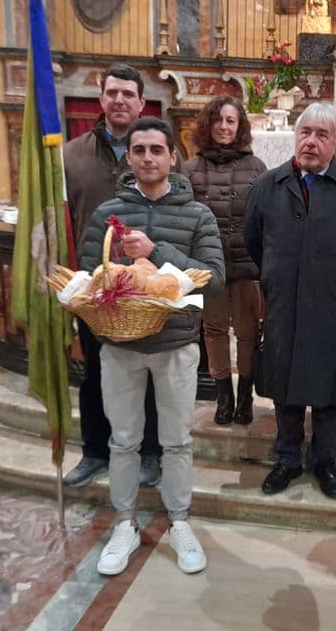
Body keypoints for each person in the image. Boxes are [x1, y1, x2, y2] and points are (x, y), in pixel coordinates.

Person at [78, 117, 225, 576]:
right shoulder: (106, 215)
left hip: (176, 344)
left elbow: (215, 284)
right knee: (123, 441)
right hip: (120, 345)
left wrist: (155, 251)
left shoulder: (198, 215)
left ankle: (180, 520)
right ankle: (124, 521)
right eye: (138, 149)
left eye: (156, 150)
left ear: (172, 156)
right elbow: (87, 279)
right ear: (129, 157)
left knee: (177, 441)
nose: (146, 157)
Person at [245, 103, 336, 500]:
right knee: (283, 383)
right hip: (283, 302)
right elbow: (254, 241)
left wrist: (331, 279)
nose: (311, 142)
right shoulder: (268, 186)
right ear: (295, 136)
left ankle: (324, 461)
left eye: (322, 135)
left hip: (332, 303)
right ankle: (286, 458)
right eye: (305, 133)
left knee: (328, 386)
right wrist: (280, 275)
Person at [63, 64, 162, 488]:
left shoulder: (156, 151)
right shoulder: (69, 155)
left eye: (128, 94)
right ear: (100, 99)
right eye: (112, 93)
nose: (119, 100)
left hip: (144, 284)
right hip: (94, 285)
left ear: (142, 102)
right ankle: (94, 451)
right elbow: (60, 219)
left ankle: (150, 453)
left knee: (150, 375)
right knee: (96, 374)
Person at [181, 97, 266, 426]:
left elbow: (264, 218)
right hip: (209, 266)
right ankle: (223, 396)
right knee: (214, 330)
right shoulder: (190, 169)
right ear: (207, 125)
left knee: (247, 332)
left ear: (240, 126)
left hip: (246, 263)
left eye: (231, 121)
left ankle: (245, 396)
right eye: (218, 120)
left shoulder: (257, 167)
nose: (224, 127)